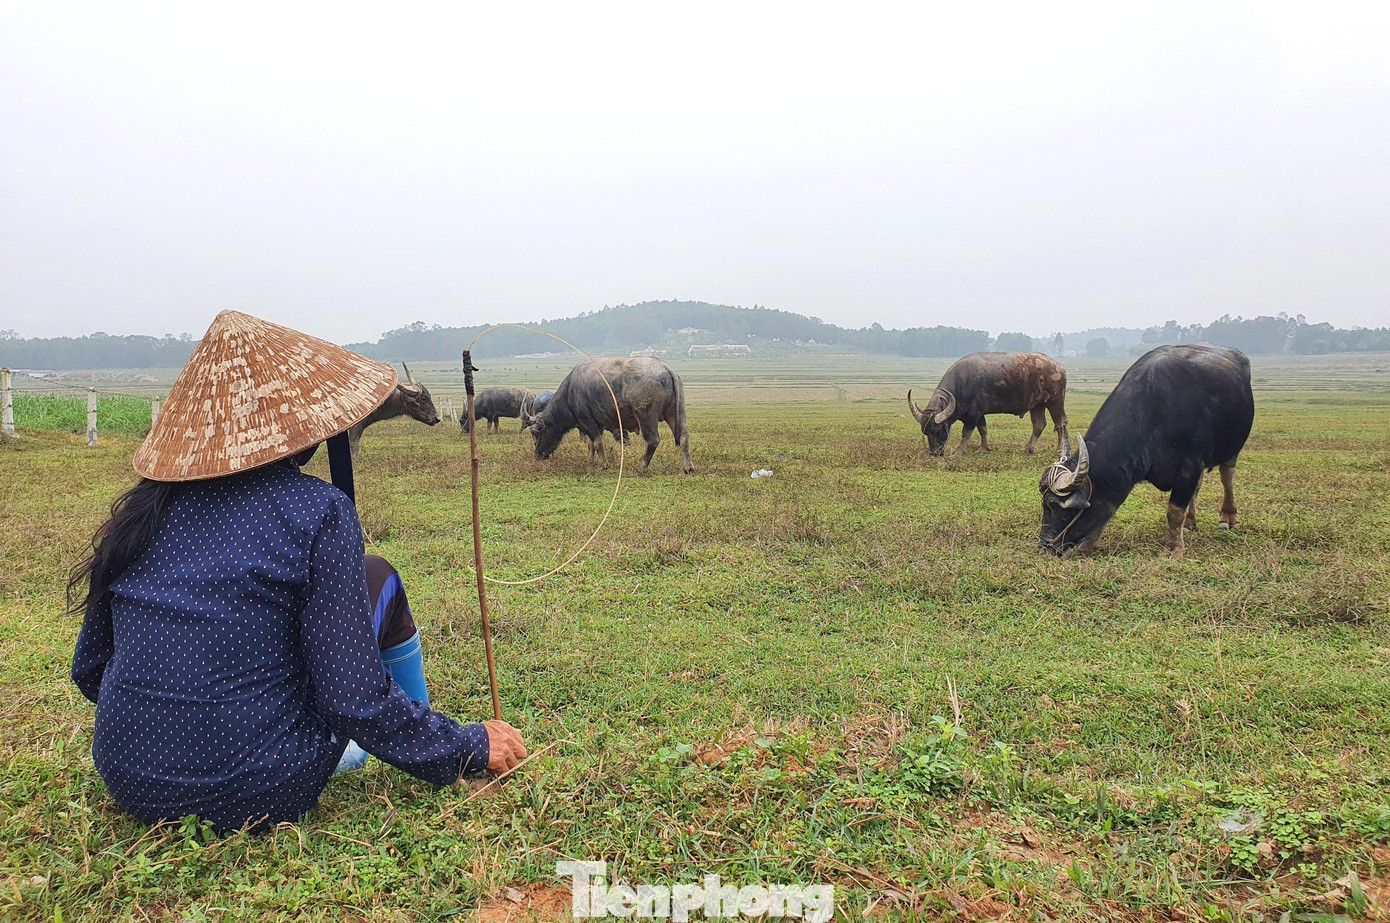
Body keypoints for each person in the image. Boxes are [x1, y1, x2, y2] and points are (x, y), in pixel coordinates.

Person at [68, 310, 525, 833]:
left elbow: (90, 671)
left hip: (130, 779)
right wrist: (468, 746)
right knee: (380, 577)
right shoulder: (317, 510)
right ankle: (418, 739)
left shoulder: (137, 516)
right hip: (261, 789)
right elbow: (352, 697)